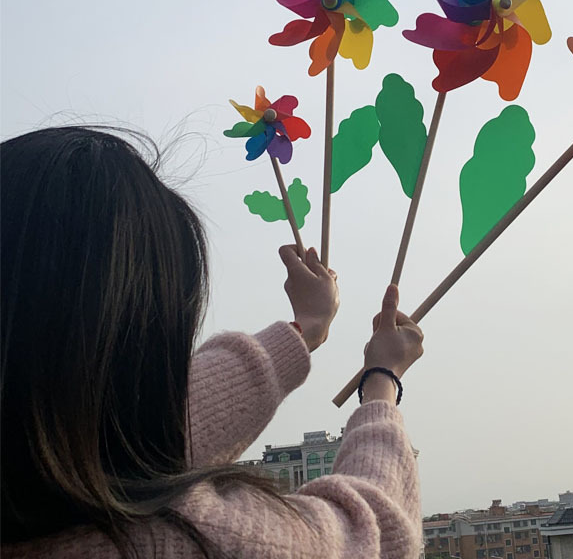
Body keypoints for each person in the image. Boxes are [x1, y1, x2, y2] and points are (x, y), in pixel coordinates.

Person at [1, 126, 425, 558]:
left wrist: (306, 327)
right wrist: (382, 380)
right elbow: (373, 535)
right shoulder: (173, 541)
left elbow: (145, 429)